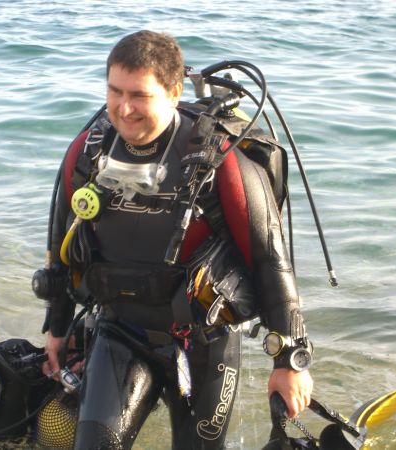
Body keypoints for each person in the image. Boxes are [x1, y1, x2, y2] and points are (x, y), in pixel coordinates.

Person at [40, 30, 314, 450]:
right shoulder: (87, 154)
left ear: (173, 92)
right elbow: (62, 249)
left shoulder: (222, 162)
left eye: (139, 95)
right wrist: (57, 330)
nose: (123, 108)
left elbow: (270, 260)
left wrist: (290, 361)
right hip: (119, 331)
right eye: (114, 91)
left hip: (205, 343)